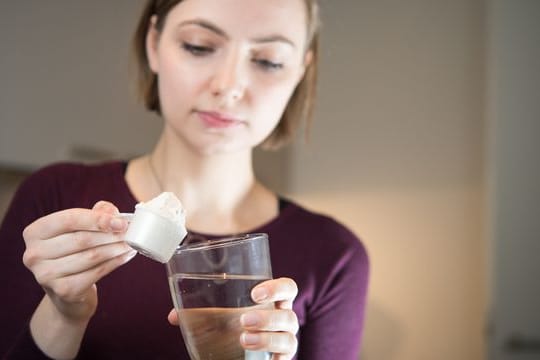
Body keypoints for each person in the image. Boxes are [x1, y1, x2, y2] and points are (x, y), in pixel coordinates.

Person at [0, 0, 369, 359]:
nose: (229, 85)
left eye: (268, 61)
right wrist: (63, 315)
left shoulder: (334, 254)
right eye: (199, 46)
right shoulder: (55, 196)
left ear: (300, 71)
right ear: (153, 44)